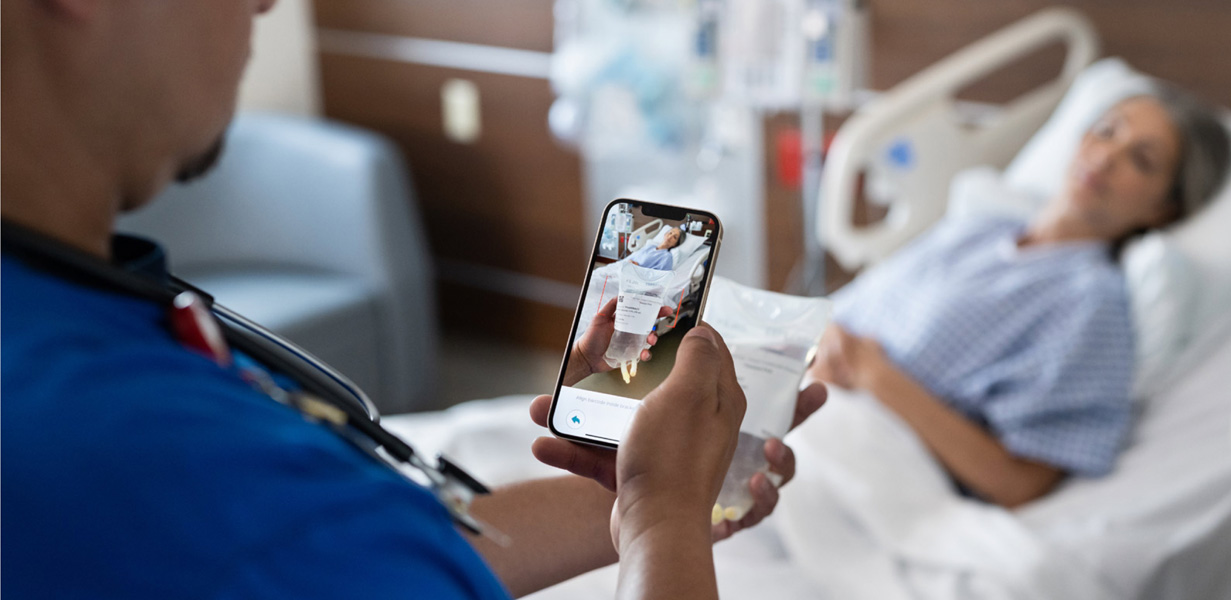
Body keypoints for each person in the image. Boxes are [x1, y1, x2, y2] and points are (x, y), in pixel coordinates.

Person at [0, 1, 826, 599]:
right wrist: (662, 527)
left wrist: (643, 491)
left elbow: (348, 559)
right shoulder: (128, 445)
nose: (265, 4)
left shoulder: (72, 309)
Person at [810, 86, 1231, 508]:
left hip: (859, 457)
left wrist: (875, 375)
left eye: (1141, 160)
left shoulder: (1091, 304)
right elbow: (841, 317)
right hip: (805, 394)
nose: (1105, 157)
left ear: (1163, 209)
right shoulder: (980, 231)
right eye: (1106, 131)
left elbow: (1018, 482)